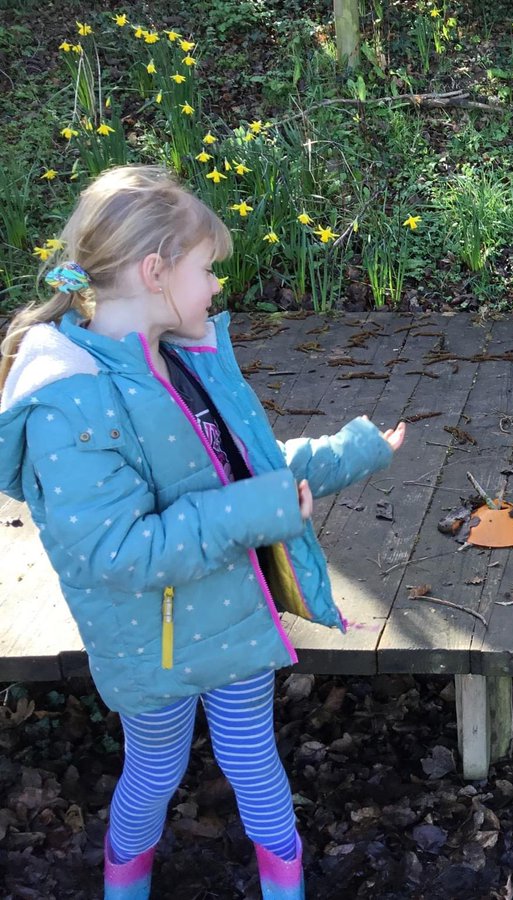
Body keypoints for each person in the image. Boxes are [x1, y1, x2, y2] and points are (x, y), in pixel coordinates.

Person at [0, 165, 406, 900]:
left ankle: (286, 887)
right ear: (155, 272)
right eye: (207, 269)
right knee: (152, 771)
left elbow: (244, 470)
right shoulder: (69, 399)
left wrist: (354, 451)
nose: (217, 286)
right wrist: (264, 510)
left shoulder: (182, 356)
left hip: (229, 615)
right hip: (150, 645)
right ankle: (126, 886)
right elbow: (117, 550)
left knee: (255, 759)